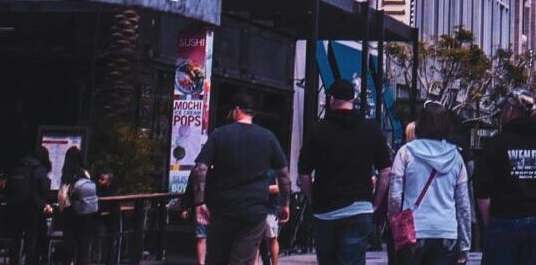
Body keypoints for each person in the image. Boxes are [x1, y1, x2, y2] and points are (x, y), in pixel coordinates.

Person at [189, 91, 288, 265]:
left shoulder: (219, 134)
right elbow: (283, 174)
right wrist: (285, 204)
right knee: (243, 259)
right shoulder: (268, 137)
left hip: (222, 208)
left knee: (218, 258)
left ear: (236, 110)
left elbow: (200, 169)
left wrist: (199, 203)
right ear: (253, 113)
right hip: (253, 210)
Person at [473, 93, 536, 265]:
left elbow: (482, 192)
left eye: (504, 109)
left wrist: (488, 224)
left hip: (504, 219)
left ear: (511, 110)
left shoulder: (496, 144)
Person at [300, 80, 383, 265]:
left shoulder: (317, 129)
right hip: (359, 207)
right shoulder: (371, 128)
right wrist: (374, 203)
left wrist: (312, 198)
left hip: (325, 209)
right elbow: (385, 170)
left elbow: (304, 172)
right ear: (353, 99)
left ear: (331, 99)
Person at [387, 102, 467, 265]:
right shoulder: (456, 157)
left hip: (413, 231)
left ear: (420, 124)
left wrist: (394, 223)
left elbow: (395, 197)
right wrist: (464, 245)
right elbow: (463, 205)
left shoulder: (406, 152)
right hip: (446, 232)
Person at [0, 151, 54, 265]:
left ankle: (13, 262)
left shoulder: (18, 167)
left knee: (15, 240)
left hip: (15, 209)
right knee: (30, 242)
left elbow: (8, 190)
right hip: (31, 210)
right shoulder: (39, 169)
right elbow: (45, 191)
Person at [59, 151, 99, 265]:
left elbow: (63, 196)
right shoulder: (86, 173)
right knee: (83, 247)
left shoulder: (67, 174)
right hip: (86, 213)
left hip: (70, 213)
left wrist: (61, 209)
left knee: (68, 246)